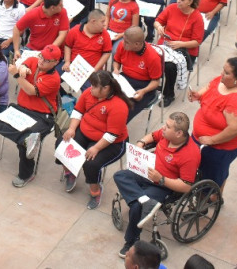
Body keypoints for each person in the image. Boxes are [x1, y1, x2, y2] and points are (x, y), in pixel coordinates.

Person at [113, 112, 201, 257]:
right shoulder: (166, 135)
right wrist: (141, 142)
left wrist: (161, 179)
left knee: (136, 206)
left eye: (167, 126)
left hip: (163, 186)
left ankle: (131, 241)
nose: (163, 128)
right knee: (120, 175)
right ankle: (145, 200)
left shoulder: (190, 154)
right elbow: (152, 136)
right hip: (147, 173)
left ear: (178, 133)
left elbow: (186, 186)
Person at [59, 70, 130, 209]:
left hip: (111, 142)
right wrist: (72, 128)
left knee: (91, 163)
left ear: (106, 88)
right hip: (85, 132)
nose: (90, 89)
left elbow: (112, 134)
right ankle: (70, 172)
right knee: (63, 144)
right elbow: (78, 111)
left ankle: (95, 191)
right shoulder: (89, 93)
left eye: (94, 86)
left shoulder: (119, 106)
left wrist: (96, 148)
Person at [188, 57, 237, 188]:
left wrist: (212, 140)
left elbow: (235, 129)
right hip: (201, 139)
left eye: (226, 73)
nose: (221, 74)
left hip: (218, 149)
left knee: (210, 178)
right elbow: (210, 88)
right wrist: (199, 95)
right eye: (223, 70)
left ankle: (211, 199)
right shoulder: (226, 82)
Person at [111, 26, 162, 121]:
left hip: (145, 85)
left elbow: (156, 82)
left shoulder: (153, 57)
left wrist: (144, 91)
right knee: (106, 95)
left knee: (125, 110)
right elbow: (116, 60)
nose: (123, 43)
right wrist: (116, 69)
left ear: (137, 44)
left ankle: (117, 131)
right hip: (125, 78)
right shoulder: (122, 45)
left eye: (127, 42)